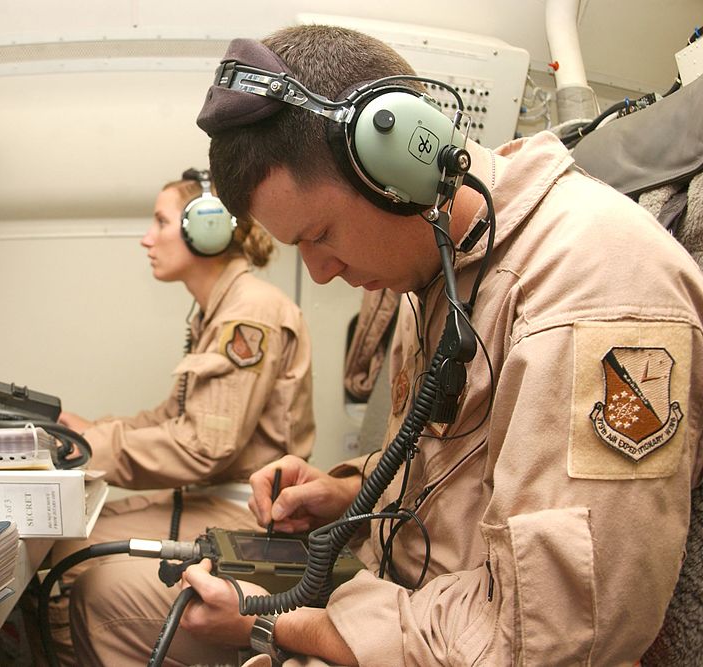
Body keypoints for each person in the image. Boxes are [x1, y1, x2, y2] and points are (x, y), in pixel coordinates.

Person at [70, 24, 703, 666]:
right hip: (396, 609)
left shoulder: (593, 286)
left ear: (399, 160)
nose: (319, 273)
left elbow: (542, 639)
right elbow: (452, 464)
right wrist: (348, 488)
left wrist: (282, 628)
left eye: (320, 234)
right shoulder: (437, 272)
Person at [48, 169, 315, 662]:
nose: (147, 239)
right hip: (213, 498)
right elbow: (173, 416)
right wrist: (94, 432)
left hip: (245, 518)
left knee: (66, 559)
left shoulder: (249, 312)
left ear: (207, 228)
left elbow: (202, 447)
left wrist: (86, 452)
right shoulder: (215, 312)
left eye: (161, 222)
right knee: (62, 538)